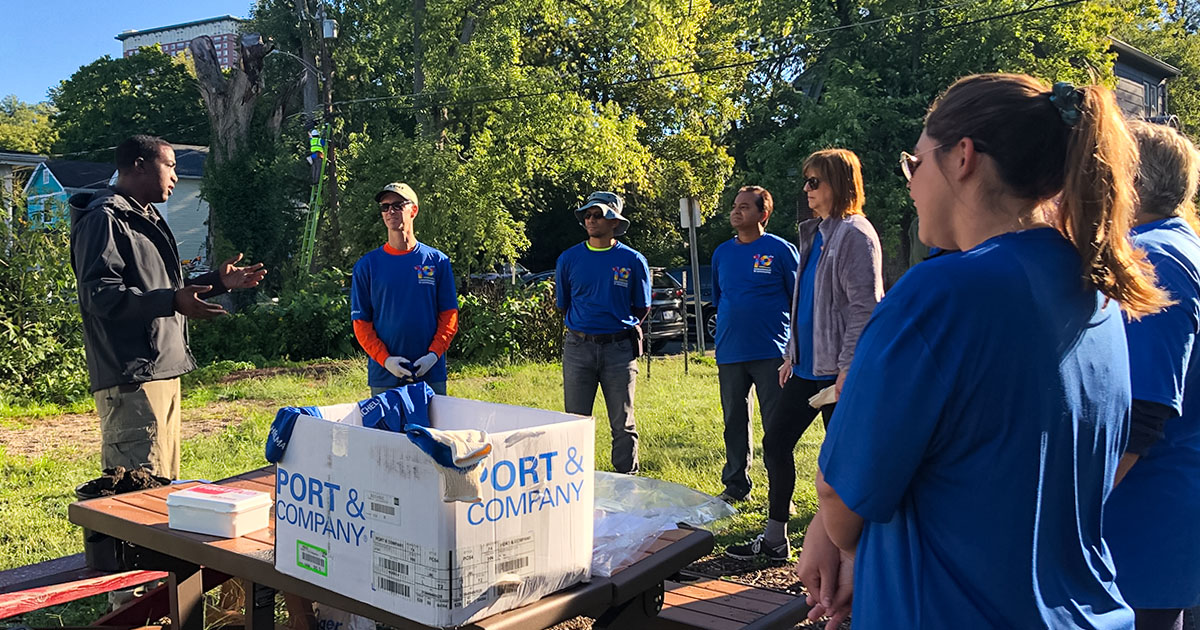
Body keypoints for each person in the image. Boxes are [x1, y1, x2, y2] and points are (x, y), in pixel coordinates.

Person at [795, 74, 1168, 629]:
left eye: (914, 164)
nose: (911, 185)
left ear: (963, 157)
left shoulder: (940, 295)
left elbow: (844, 502)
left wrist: (842, 533)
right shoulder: (1095, 288)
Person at [70, 135, 268, 480]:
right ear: (139, 165)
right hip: (132, 379)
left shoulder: (143, 217)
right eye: (170, 166)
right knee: (136, 492)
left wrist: (219, 282)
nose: (175, 176)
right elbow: (99, 294)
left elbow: (163, 289)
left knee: (163, 485)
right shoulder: (105, 219)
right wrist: (172, 301)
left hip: (160, 371)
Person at [726, 152, 883, 561]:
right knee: (776, 443)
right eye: (807, 182)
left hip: (839, 375)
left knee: (841, 464)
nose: (807, 190)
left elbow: (864, 310)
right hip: (805, 368)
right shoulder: (816, 234)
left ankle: (851, 554)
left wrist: (849, 368)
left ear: (840, 184)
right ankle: (776, 539)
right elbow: (806, 301)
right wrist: (791, 356)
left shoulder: (856, 235)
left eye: (815, 182)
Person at [1103, 122, 1200, 630]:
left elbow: (1142, 411)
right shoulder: (1174, 244)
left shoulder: (1153, 259)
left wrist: (1070, 517)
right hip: (1158, 517)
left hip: (1140, 525)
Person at [707, 186, 798, 507]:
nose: (736, 211)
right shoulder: (722, 253)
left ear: (763, 214)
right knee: (733, 421)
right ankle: (735, 484)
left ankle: (780, 491)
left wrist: (792, 348)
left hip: (772, 353)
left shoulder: (781, 250)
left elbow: (798, 300)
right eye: (735, 206)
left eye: (744, 207)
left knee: (777, 426)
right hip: (731, 352)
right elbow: (721, 299)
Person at [556, 191, 650, 474]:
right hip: (578, 347)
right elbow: (564, 304)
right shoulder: (569, 259)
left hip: (619, 350)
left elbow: (641, 306)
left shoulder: (633, 260)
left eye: (598, 215)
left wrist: (616, 326)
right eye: (587, 215)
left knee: (622, 422)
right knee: (574, 421)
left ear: (614, 222)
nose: (591, 220)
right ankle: (575, 482)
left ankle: (627, 481)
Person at [351, 182, 459, 396]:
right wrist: (386, 360)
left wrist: (433, 355)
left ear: (414, 210)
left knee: (433, 430)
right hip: (385, 376)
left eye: (398, 205)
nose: (390, 211)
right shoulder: (367, 266)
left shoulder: (437, 261)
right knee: (387, 431)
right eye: (385, 206)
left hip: (430, 374)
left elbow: (449, 316)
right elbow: (361, 323)